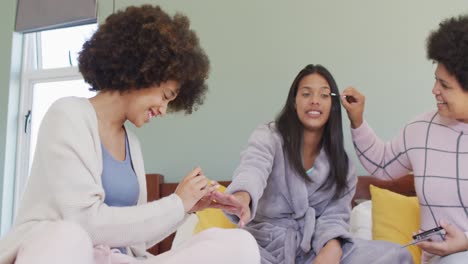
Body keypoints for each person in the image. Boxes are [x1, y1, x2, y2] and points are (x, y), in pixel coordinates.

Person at [0, 5, 260, 264]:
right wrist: (177, 203)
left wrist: (188, 207)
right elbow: (83, 223)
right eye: (165, 96)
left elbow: (135, 239)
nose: (163, 109)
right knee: (68, 235)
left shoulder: (131, 144)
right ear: (143, 71)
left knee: (239, 245)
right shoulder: (68, 114)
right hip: (61, 253)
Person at [211, 64, 413, 264]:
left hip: (313, 251)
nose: (315, 101)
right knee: (218, 251)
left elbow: (335, 217)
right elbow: (253, 168)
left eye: (324, 95)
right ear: (294, 102)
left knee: (395, 254)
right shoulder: (269, 137)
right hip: (264, 248)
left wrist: (331, 250)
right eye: (306, 94)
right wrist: (242, 197)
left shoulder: (342, 165)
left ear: (333, 105)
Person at [341, 15, 468, 264]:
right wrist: (357, 120)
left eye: (445, 85)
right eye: (435, 80)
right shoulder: (422, 129)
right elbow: (382, 165)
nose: (435, 90)